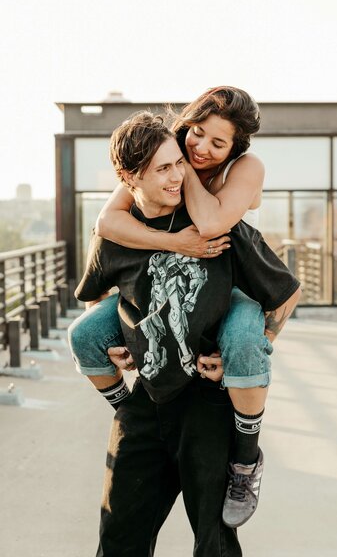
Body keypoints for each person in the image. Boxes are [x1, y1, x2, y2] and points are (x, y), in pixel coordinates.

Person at [68, 86, 301, 527]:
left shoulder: (244, 167)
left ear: (236, 146)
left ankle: (247, 463)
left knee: (243, 341)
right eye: (196, 133)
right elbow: (107, 222)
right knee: (85, 335)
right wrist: (173, 241)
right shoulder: (166, 148)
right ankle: (133, 414)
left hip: (233, 275)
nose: (202, 148)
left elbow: (213, 223)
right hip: (171, 267)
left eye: (219, 143)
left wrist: (180, 167)